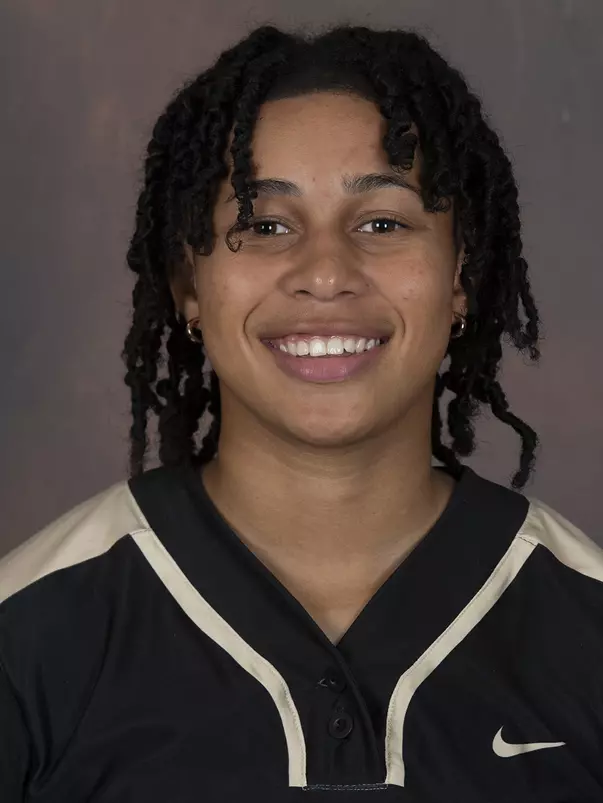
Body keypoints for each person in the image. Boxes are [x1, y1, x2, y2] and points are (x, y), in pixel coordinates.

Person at [1, 22, 602, 803]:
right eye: (263, 224)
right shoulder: (30, 632)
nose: (324, 273)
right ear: (188, 284)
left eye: (382, 223)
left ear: (459, 276)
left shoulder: (583, 622)